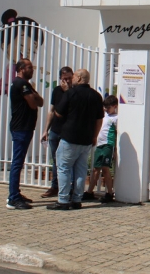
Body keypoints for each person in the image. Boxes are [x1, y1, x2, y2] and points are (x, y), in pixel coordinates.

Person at [48, 69, 104, 210]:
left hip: (70, 137)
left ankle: (63, 200)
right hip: (86, 139)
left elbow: (58, 113)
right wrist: (94, 136)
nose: (71, 79)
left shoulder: (71, 93)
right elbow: (99, 119)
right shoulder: (96, 96)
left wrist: (66, 94)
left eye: (73, 76)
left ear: (78, 78)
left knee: (64, 168)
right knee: (81, 170)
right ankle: (77, 199)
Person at [7, 58, 44, 210]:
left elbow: (40, 102)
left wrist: (34, 96)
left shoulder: (27, 85)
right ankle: (13, 198)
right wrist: (33, 97)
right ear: (21, 69)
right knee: (17, 162)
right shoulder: (20, 84)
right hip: (21, 127)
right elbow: (33, 104)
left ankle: (16, 193)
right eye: (29, 67)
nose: (32, 69)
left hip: (26, 127)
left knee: (19, 162)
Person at [40, 67, 73, 198]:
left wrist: (68, 92)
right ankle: (55, 186)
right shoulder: (57, 90)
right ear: (61, 78)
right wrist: (45, 130)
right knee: (56, 160)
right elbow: (52, 110)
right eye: (65, 79)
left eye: (70, 78)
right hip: (55, 130)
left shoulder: (74, 92)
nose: (68, 81)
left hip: (68, 131)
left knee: (68, 161)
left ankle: (69, 188)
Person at [83, 95, 118, 203]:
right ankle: (89, 192)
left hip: (108, 145)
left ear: (114, 106)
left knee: (105, 169)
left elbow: (117, 133)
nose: (106, 110)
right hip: (100, 145)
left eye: (108, 108)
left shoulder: (116, 118)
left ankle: (109, 193)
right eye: (105, 108)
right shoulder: (104, 116)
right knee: (95, 169)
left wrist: (115, 150)